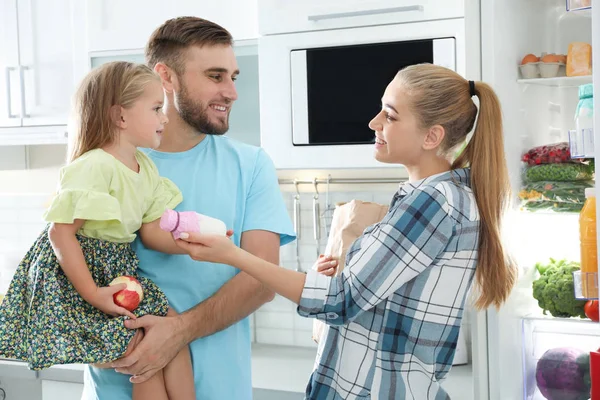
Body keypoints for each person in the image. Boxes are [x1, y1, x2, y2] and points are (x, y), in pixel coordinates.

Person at [175, 64, 518, 399]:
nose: (374, 123)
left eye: (391, 115)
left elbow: (341, 299)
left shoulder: (433, 202)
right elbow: (364, 298)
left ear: (432, 136)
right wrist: (323, 279)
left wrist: (232, 254)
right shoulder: (441, 198)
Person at [83, 17, 296, 400]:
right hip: (118, 385)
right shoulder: (105, 165)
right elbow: (72, 269)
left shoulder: (251, 165)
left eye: (234, 76)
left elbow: (263, 281)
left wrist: (178, 331)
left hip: (220, 389)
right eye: (216, 76)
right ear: (167, 76)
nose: (231, 92)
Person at [0, 61, 198, 400]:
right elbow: (60, 235)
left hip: (117, 272)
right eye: (155, 109)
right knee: (140, 350)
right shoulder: (93, 166)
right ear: (120, 117)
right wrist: (93, 293)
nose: (165, 118)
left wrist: (193, 243)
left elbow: (151, 230)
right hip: (81, 277)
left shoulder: (145, 168)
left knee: (173, 332)